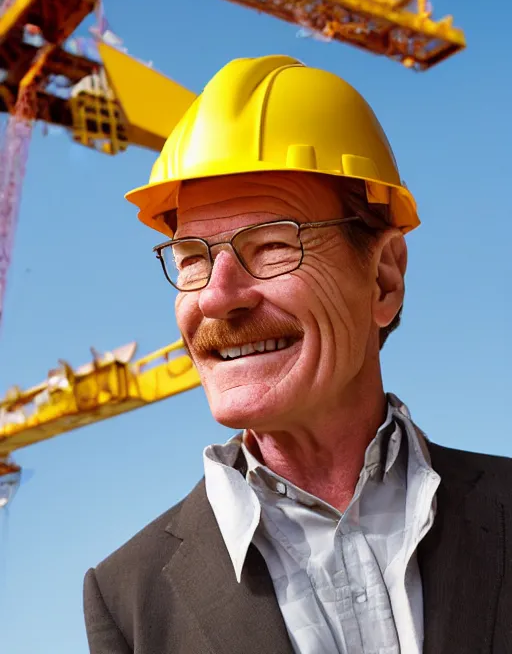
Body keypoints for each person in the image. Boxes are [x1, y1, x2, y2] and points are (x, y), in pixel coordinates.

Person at [83, 55, 512, 654]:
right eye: (190, 259)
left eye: (274, 246)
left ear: (384, 279)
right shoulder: (128, 600)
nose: (217, 297)